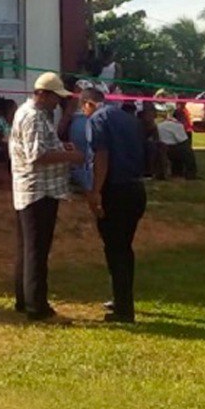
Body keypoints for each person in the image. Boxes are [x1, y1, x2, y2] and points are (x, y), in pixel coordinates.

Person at [8, 72, 82, 322]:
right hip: (39, 190)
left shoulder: (28, 113)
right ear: (43, 94)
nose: (58, 103)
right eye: (56, 98)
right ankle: (38, 308)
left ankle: (24, 299)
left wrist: (61, 147)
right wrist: (71, 157)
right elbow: (37, 155)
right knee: (37, 251)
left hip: (30, 190)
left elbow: (42, 148)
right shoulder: (35, 117)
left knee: (27, 249)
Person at [80, 83, 147, 323]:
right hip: (136, 188)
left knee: (115, 248)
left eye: (83, 108)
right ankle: (121, 297)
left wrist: (96, 191)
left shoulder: (97, 120)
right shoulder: (128, 119)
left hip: (115, 190)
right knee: (124, 247)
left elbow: (101, 155)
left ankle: (123, 309)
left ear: (88, 103)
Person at [155, 108, 199, 180]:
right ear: (181, 117)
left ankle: (177, 171)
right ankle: (190, 173)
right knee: (186, 151)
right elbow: (182, 140)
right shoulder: (177, 126)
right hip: (171, 149)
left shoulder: (160, 124)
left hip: (160, 147)